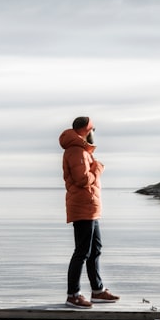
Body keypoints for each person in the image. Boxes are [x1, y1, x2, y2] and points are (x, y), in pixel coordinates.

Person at [60, 116, 120, 309]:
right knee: (82, 252)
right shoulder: (76, 151)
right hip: (82, 207)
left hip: (90, 207)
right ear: (87, 130)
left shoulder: (82, 151)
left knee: (95, 250)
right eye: (93, 130)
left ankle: (97, 291)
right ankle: (73, 295)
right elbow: (83, 180)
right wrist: (98, 168)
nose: (94, 133)